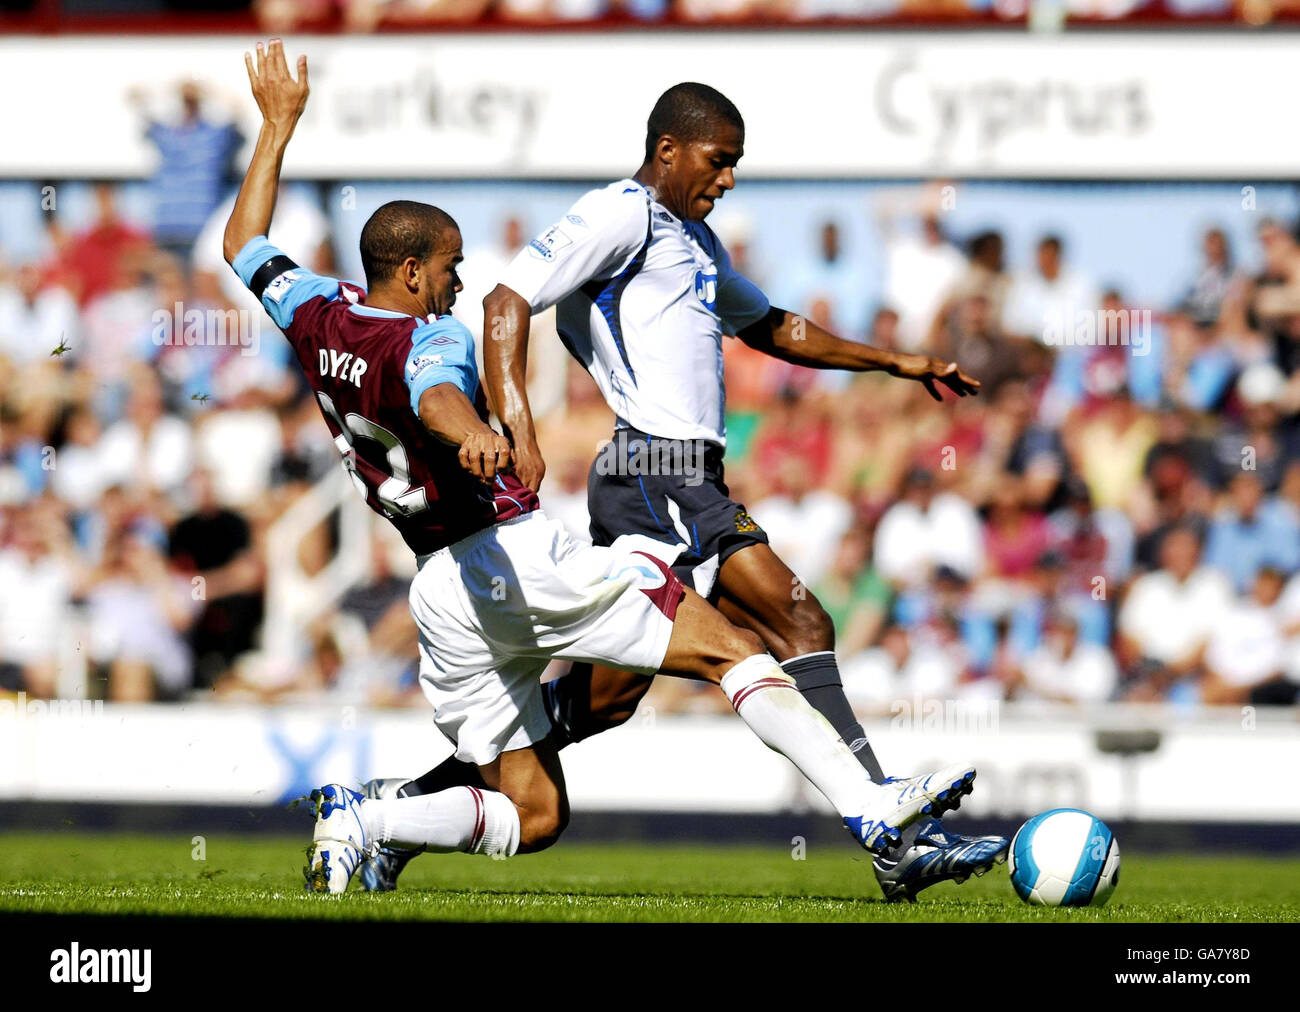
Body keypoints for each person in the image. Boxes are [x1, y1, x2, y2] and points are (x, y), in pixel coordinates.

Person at [224, 41, 975, 894]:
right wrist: (491, 428)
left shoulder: (315, 311)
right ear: (411, 270)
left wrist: (277, 129)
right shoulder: (439, 329)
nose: (460, 281)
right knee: (739, 646)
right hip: (521, 546)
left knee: (542, 806)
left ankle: (372, 818)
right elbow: (440, 386)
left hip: (441, 588)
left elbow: (244, 240)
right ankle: (873, 810)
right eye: (449, 268)